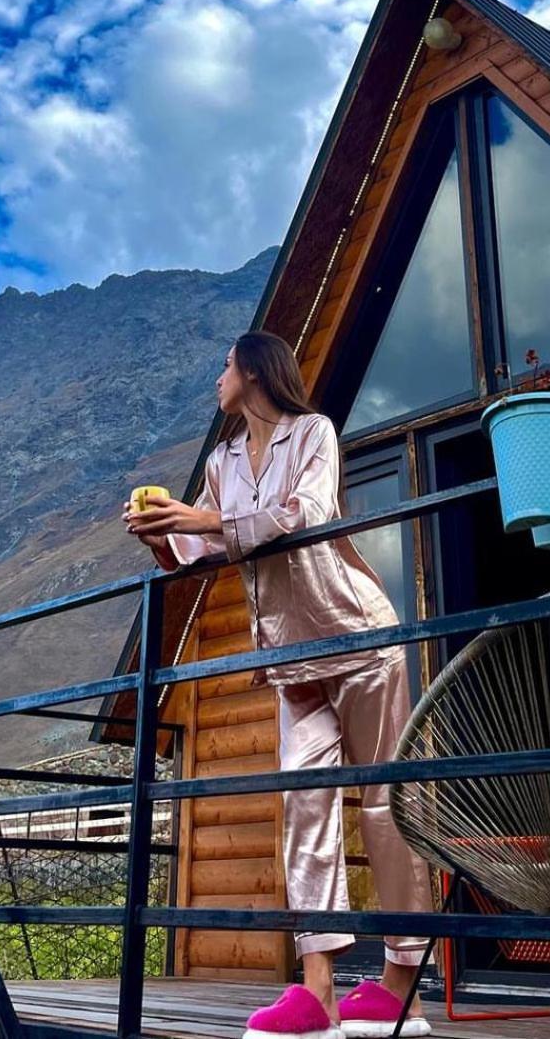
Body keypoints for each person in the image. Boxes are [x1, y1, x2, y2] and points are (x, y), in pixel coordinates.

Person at [124, 330, 434, 1039]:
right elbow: (199, 546)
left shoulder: (313, 432)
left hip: (357, 636)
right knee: (305, 807)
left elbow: (308, 512)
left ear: (256, 371)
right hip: (291, 658)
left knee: (387, 803)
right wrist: (160, 530)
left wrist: (205, 517)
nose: (217, 378)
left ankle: (401, 983)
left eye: (225, 366)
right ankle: (318, 989)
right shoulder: (224, 460)